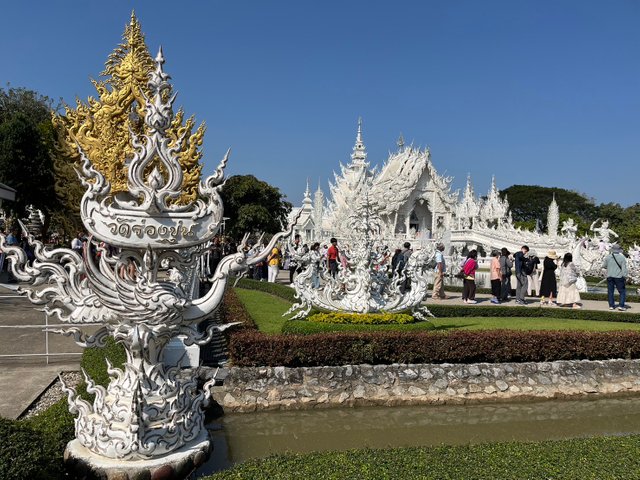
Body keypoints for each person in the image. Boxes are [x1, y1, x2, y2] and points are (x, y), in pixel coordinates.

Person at [603, 244, 628, 311]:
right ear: (619, 250)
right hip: (619, 277)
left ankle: (611, 306)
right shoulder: (622, 258)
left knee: (610, 291)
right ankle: (621, 306)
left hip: (610, 276)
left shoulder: (608, 257)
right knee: (622, 292)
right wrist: (625, 276)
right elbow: (624, 269)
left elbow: (604, 266)